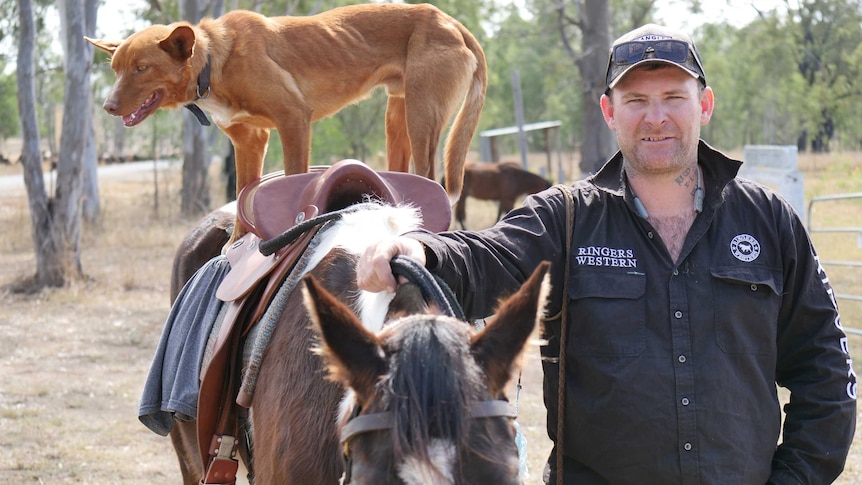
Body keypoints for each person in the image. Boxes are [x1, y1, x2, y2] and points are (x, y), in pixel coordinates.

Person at [357, 23, 857, 484]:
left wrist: (794, 479)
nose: (655, 117)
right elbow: (489, 257)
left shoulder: (770, 221)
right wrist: (420, 249)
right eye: (636, 99)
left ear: (704, 105)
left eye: (673, 98)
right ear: (609, 110)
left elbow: (828, 376)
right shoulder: (567, 219)